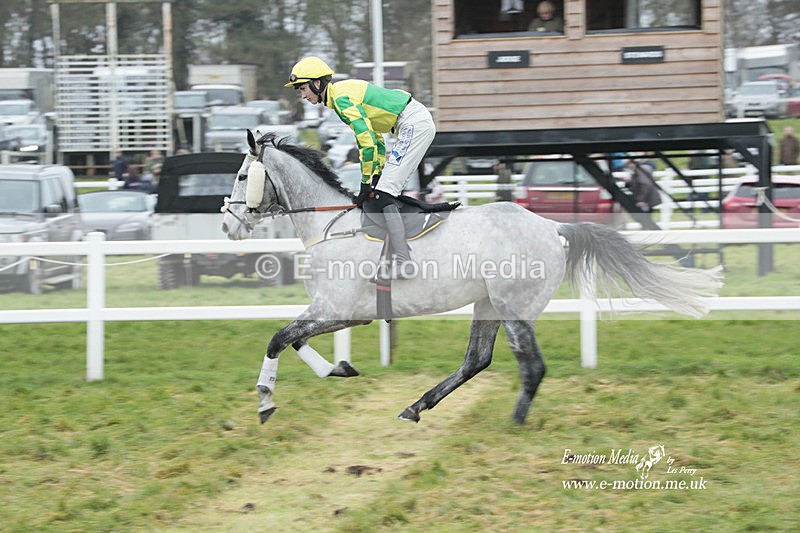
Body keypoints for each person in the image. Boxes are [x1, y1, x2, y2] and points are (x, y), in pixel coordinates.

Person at [285, 56, 436, 279]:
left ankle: (404, 262)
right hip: (410, 123)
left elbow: (365, 142)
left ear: (318, 83)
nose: (303, 95)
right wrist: (375, 174)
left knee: (384, 193)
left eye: (304, 88)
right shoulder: (339, 97)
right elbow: (376, 138)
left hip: (412, 123)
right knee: (382, 191)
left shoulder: (342, 99)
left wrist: (366, 182)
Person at [624, 159, 661, 226]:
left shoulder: (639, 172)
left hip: (646, 200)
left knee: (644, 219)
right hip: (647, 199)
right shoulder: (638, 171)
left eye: (628, 164)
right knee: (645, 219)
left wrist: (641, 200)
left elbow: (645, 185)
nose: (627, 166)